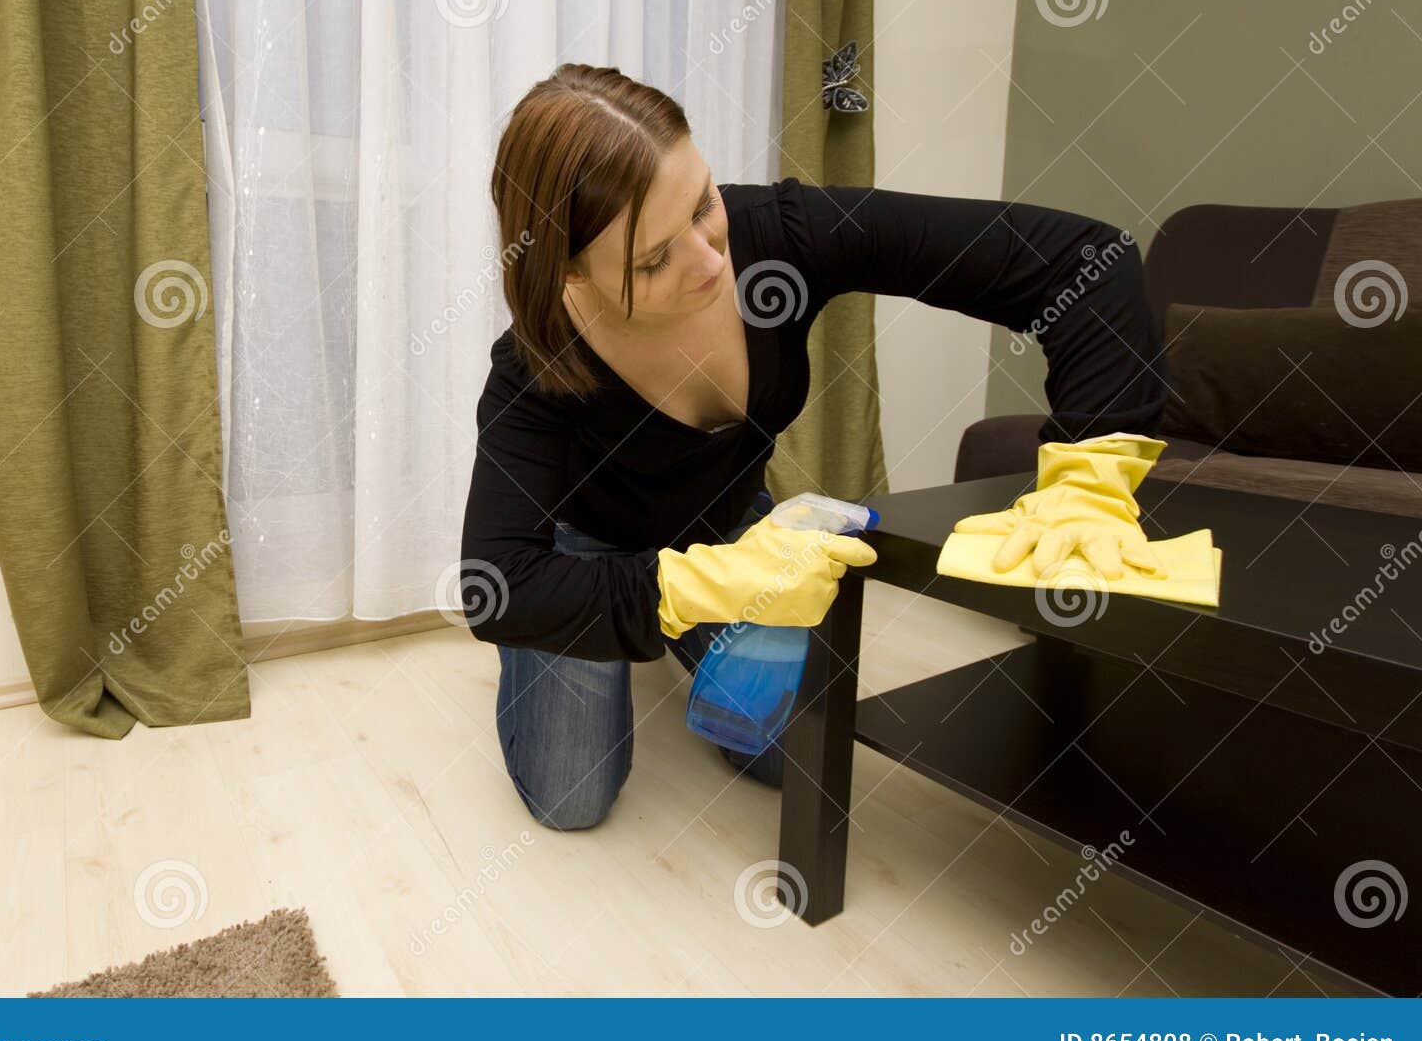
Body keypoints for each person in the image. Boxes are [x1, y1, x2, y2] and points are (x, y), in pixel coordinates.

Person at [459, 63, 1168, 831]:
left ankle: (662, 625)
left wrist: (1090, 470)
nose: (708, 262)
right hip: (584, 554)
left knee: (780, 757)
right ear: (570, 272)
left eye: (703, 205)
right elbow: (497, 585)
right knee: (573, 797)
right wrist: (692, 590)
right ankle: (619, 634)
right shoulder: (534, 368)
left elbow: (1088, 262)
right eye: (653, 259)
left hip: (729, 523)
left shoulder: (782, 237)